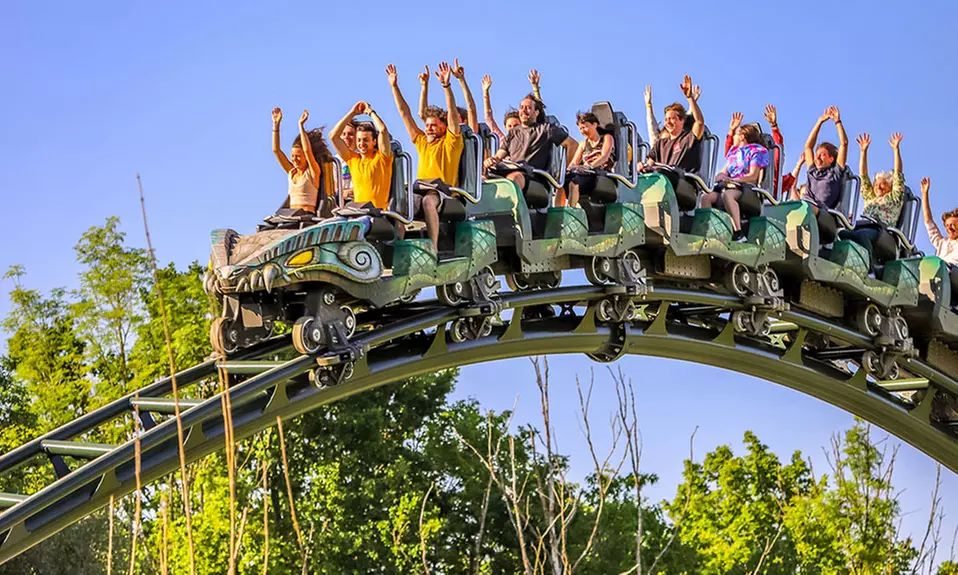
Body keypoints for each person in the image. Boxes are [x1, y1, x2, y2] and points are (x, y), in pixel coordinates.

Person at [387, 62, 464, 249]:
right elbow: (405, 113)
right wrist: (394, 86)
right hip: (420, 189)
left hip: (443, 191)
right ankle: (398, 246)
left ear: (443, 127)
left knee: (429, 201)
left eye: (433, 125)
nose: (428, 128)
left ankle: (433, 247)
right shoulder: (421, 141)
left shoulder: (451, 142)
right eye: (427, 125)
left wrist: (446, 86)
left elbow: (453, 115)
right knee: (400, 201)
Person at [837, 133, 905, 265]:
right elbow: (863, 177)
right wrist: (863, 152)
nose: (878, 186)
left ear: (890, 187)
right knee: (843, 234)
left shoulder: (894, 198)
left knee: (862, 236)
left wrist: (896, 150)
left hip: (881, 230)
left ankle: (869, 269)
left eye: (883, 184)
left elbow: (898, 175)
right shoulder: (870, 198)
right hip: (863, 225)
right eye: (877, 184)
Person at [482, 93, 569, 194]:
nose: (523, 110)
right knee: (482, 179)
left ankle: (511, 208)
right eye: (521, 107)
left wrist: (564, 171)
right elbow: (498, 156)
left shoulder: (546, 129)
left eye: (528, 108)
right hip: (511, 171)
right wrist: (491, 160)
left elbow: (572, 145)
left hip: (534, 177)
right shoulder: (512, 133)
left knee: (514, 178)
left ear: (536, 112)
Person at [700, 122, 769, 237]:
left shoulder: (756, 151)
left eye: (736, 134)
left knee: (728, 195)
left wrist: (733, 180)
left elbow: (753, 177)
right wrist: (710, 181)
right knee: (706, 197)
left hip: (746, 188)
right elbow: (724, 172)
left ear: (742, 137)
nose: (734, 137)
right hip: (730, 186)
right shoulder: (734, 153)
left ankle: (738, 232)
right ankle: (710, 230)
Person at [330, 101, 393, 210]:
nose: (361, 143)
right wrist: (352, 113)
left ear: (374, 141)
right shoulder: (353, 159)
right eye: (359, 140)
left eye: (365, 140)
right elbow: (333, 136)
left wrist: (370, 112)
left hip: (377, 212)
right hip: (357, 211)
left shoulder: (382, 158)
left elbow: (382, 130)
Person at [642, 75, 705, 175]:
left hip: (684, 183)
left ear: (681, 121)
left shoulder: (688, 139)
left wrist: (690, 98)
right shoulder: (660, 144)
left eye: (672, 119)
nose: (668, 122)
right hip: (664, 183)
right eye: (666, 119)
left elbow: (699, 123)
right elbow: (650, 164)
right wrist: (642, 167)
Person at [271, 107, 328, 214]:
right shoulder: (292, 172)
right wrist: (276, 125)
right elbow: (276, 150)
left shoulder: (312, 173)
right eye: (293, 156)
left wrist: (301, 126)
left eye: (298, 156)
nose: (295, 160)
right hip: (292, 215)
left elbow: (307, 150)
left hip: (306, 216)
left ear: (306, 157)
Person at [792, 106, 848, 214]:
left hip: (822, 211)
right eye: (817, 154)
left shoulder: (835, 172)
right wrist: (820, 121)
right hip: (805, 205)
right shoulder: (813, 171)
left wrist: (837, 122)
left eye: (822, 155)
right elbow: (808, 147)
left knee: (805, 207)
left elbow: (844, 144)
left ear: (831, 159)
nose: (817, 157)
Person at [724, 105, 786, 197]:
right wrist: (731, 131)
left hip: (761, 194)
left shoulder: (760, 153)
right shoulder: (740, 153)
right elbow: (730, 156)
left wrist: (774, 127)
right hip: (734, 185)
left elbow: (777, 152)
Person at [564, 112, 615, 207]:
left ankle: (571, 210)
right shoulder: (583, 144)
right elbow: (574, 163)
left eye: (585, 127)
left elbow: (604, 157)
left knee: (575, 182)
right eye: (580, 128)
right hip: (585, 173)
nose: (583, 131)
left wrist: (589, 166)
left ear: (594, 125)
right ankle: (562, 210)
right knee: (564, 181)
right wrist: (568, 170)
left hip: (600, 173)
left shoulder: (607, 138)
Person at [418, 59, 479, 133]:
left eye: (455, 116)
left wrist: (461, 79)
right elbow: (423, 114)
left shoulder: (470, 133)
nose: (450, 119)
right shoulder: (443, 134)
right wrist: (424, 86)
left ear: (465, 121)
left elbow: (471, 110)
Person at [920, 177, 958, 266]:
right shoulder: (942, 243)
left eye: (953, 225)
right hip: (941, 276)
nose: (949, 228)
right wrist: (924, 194)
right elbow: (928, 221)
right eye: (947, 225)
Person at [339, 122, 357, 200]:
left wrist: (351, 191)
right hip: (340, 202)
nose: (346, 137)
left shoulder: (362, 157)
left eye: (350, 134)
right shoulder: (335, 161)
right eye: (343, 134)